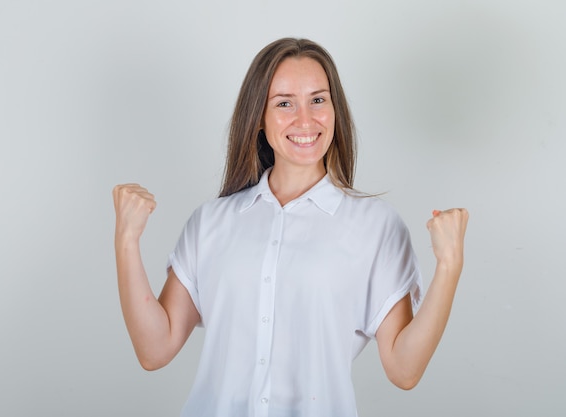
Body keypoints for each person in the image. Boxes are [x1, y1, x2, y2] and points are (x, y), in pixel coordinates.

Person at [112, 38, 469, 417]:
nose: (305, 119)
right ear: (259, 119)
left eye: (318, 99)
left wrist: (449, 267)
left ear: (335, 110)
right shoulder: (212, 223)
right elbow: (154, 350)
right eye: (284, 103)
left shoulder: (376, 227)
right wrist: (126, 240)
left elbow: (404, 370)